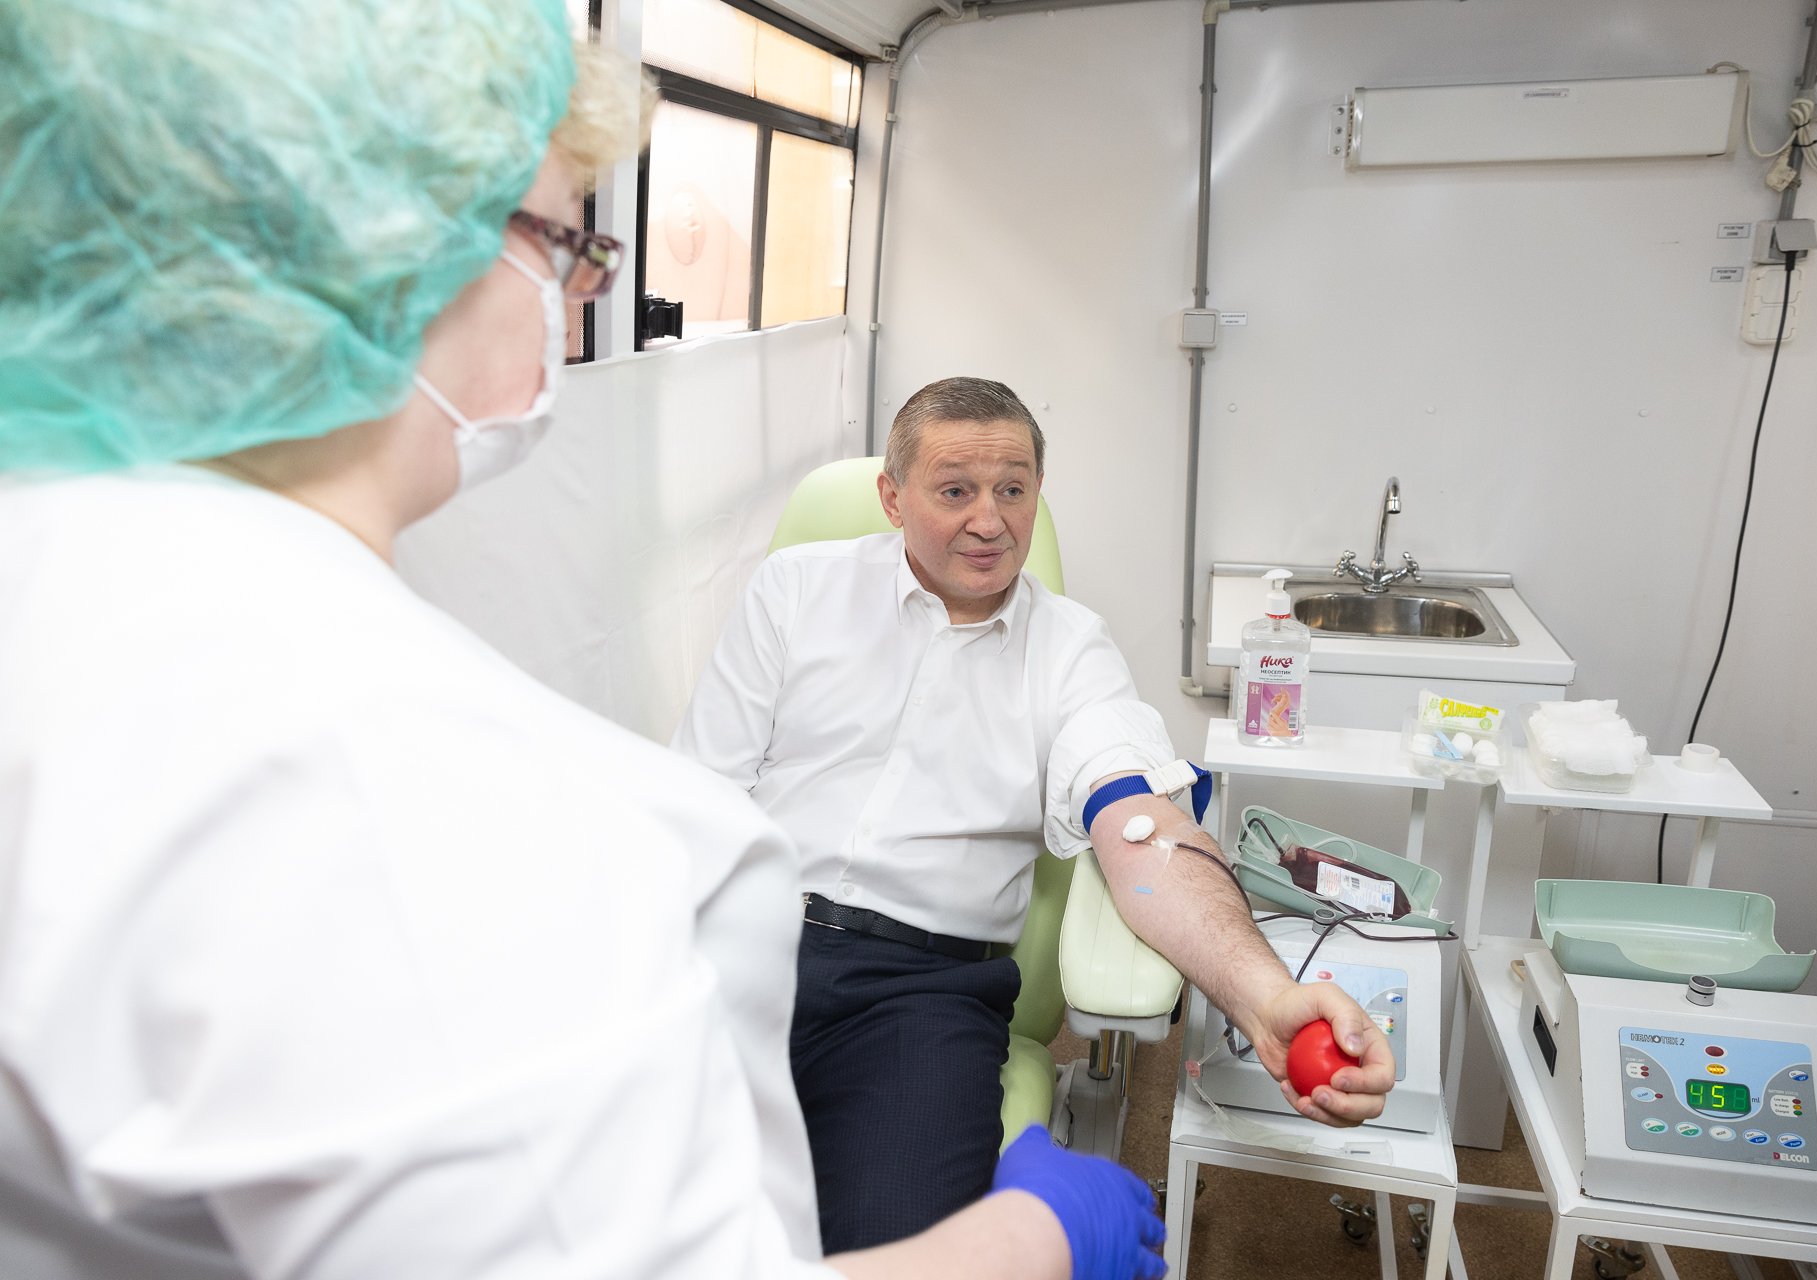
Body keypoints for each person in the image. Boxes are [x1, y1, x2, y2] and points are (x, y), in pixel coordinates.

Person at [0, 6, 1165, 1278]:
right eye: (565, 244)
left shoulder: (59, 579)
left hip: (922, 989)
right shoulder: (401, 802)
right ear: (406, 254)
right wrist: (1035, 1234)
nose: (573, 313)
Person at [673, 376, 1400, 1253]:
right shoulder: (796, 590)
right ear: (893, 498)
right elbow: (701, 796)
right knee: (621, 1202)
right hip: (741, 944)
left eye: (1012, 489)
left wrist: (1266, 996)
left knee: (896, 1252)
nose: (990, 520)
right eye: (955, 491)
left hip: (913, 998)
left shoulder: (1069, 650)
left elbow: (1144, 831)